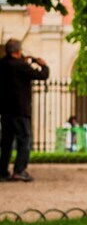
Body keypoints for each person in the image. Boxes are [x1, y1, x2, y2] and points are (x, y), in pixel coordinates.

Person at [1, 39, 48, 182]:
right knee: (24, 139)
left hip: (6, 110)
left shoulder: (2, 64)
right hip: (20, 110)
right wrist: (43, 65)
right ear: (18, 51)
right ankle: (19, 170)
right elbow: (42, 75)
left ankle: (2, 171)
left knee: (6, 142)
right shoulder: (21, 65)